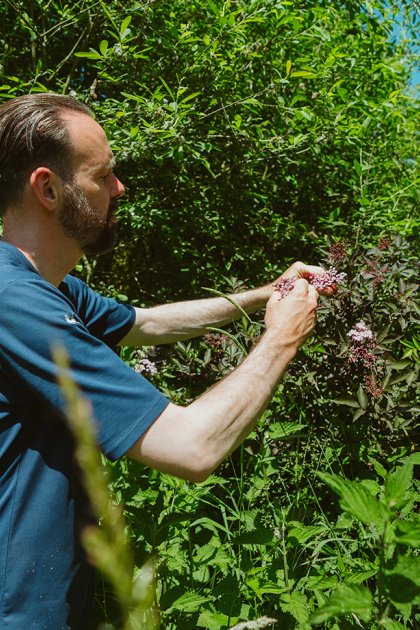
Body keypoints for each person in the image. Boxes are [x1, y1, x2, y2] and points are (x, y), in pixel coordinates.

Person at [0, 93, 327, 628]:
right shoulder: (14, 302)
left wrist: (265, 293)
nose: (118, 187)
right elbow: (191, 447)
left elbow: (148, 323)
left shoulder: (48, 288)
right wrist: (282, 339)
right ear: (49, 189)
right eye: (103, 174)